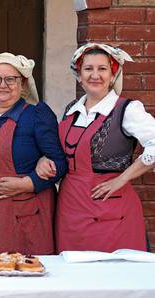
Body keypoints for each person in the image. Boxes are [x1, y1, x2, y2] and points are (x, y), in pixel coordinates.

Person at [36, 43, 155, 253]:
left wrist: (122, 179)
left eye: (102, 69)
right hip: (70, 206)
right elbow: (60, 152)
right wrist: (43, 160)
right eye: (88, 69)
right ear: (79, 75)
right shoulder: (71, 109)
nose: (95, 75)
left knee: (111, 276)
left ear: (113, 75)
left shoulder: (126, 110)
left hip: (110, 206)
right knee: (73, 273)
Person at [0, 52, 67, 255]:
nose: (3, 85)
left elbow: (59, 162)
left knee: (24, 275)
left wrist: (26, 183)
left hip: (24, 213)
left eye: (11, 79)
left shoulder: (37, 114)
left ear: (22, 83)